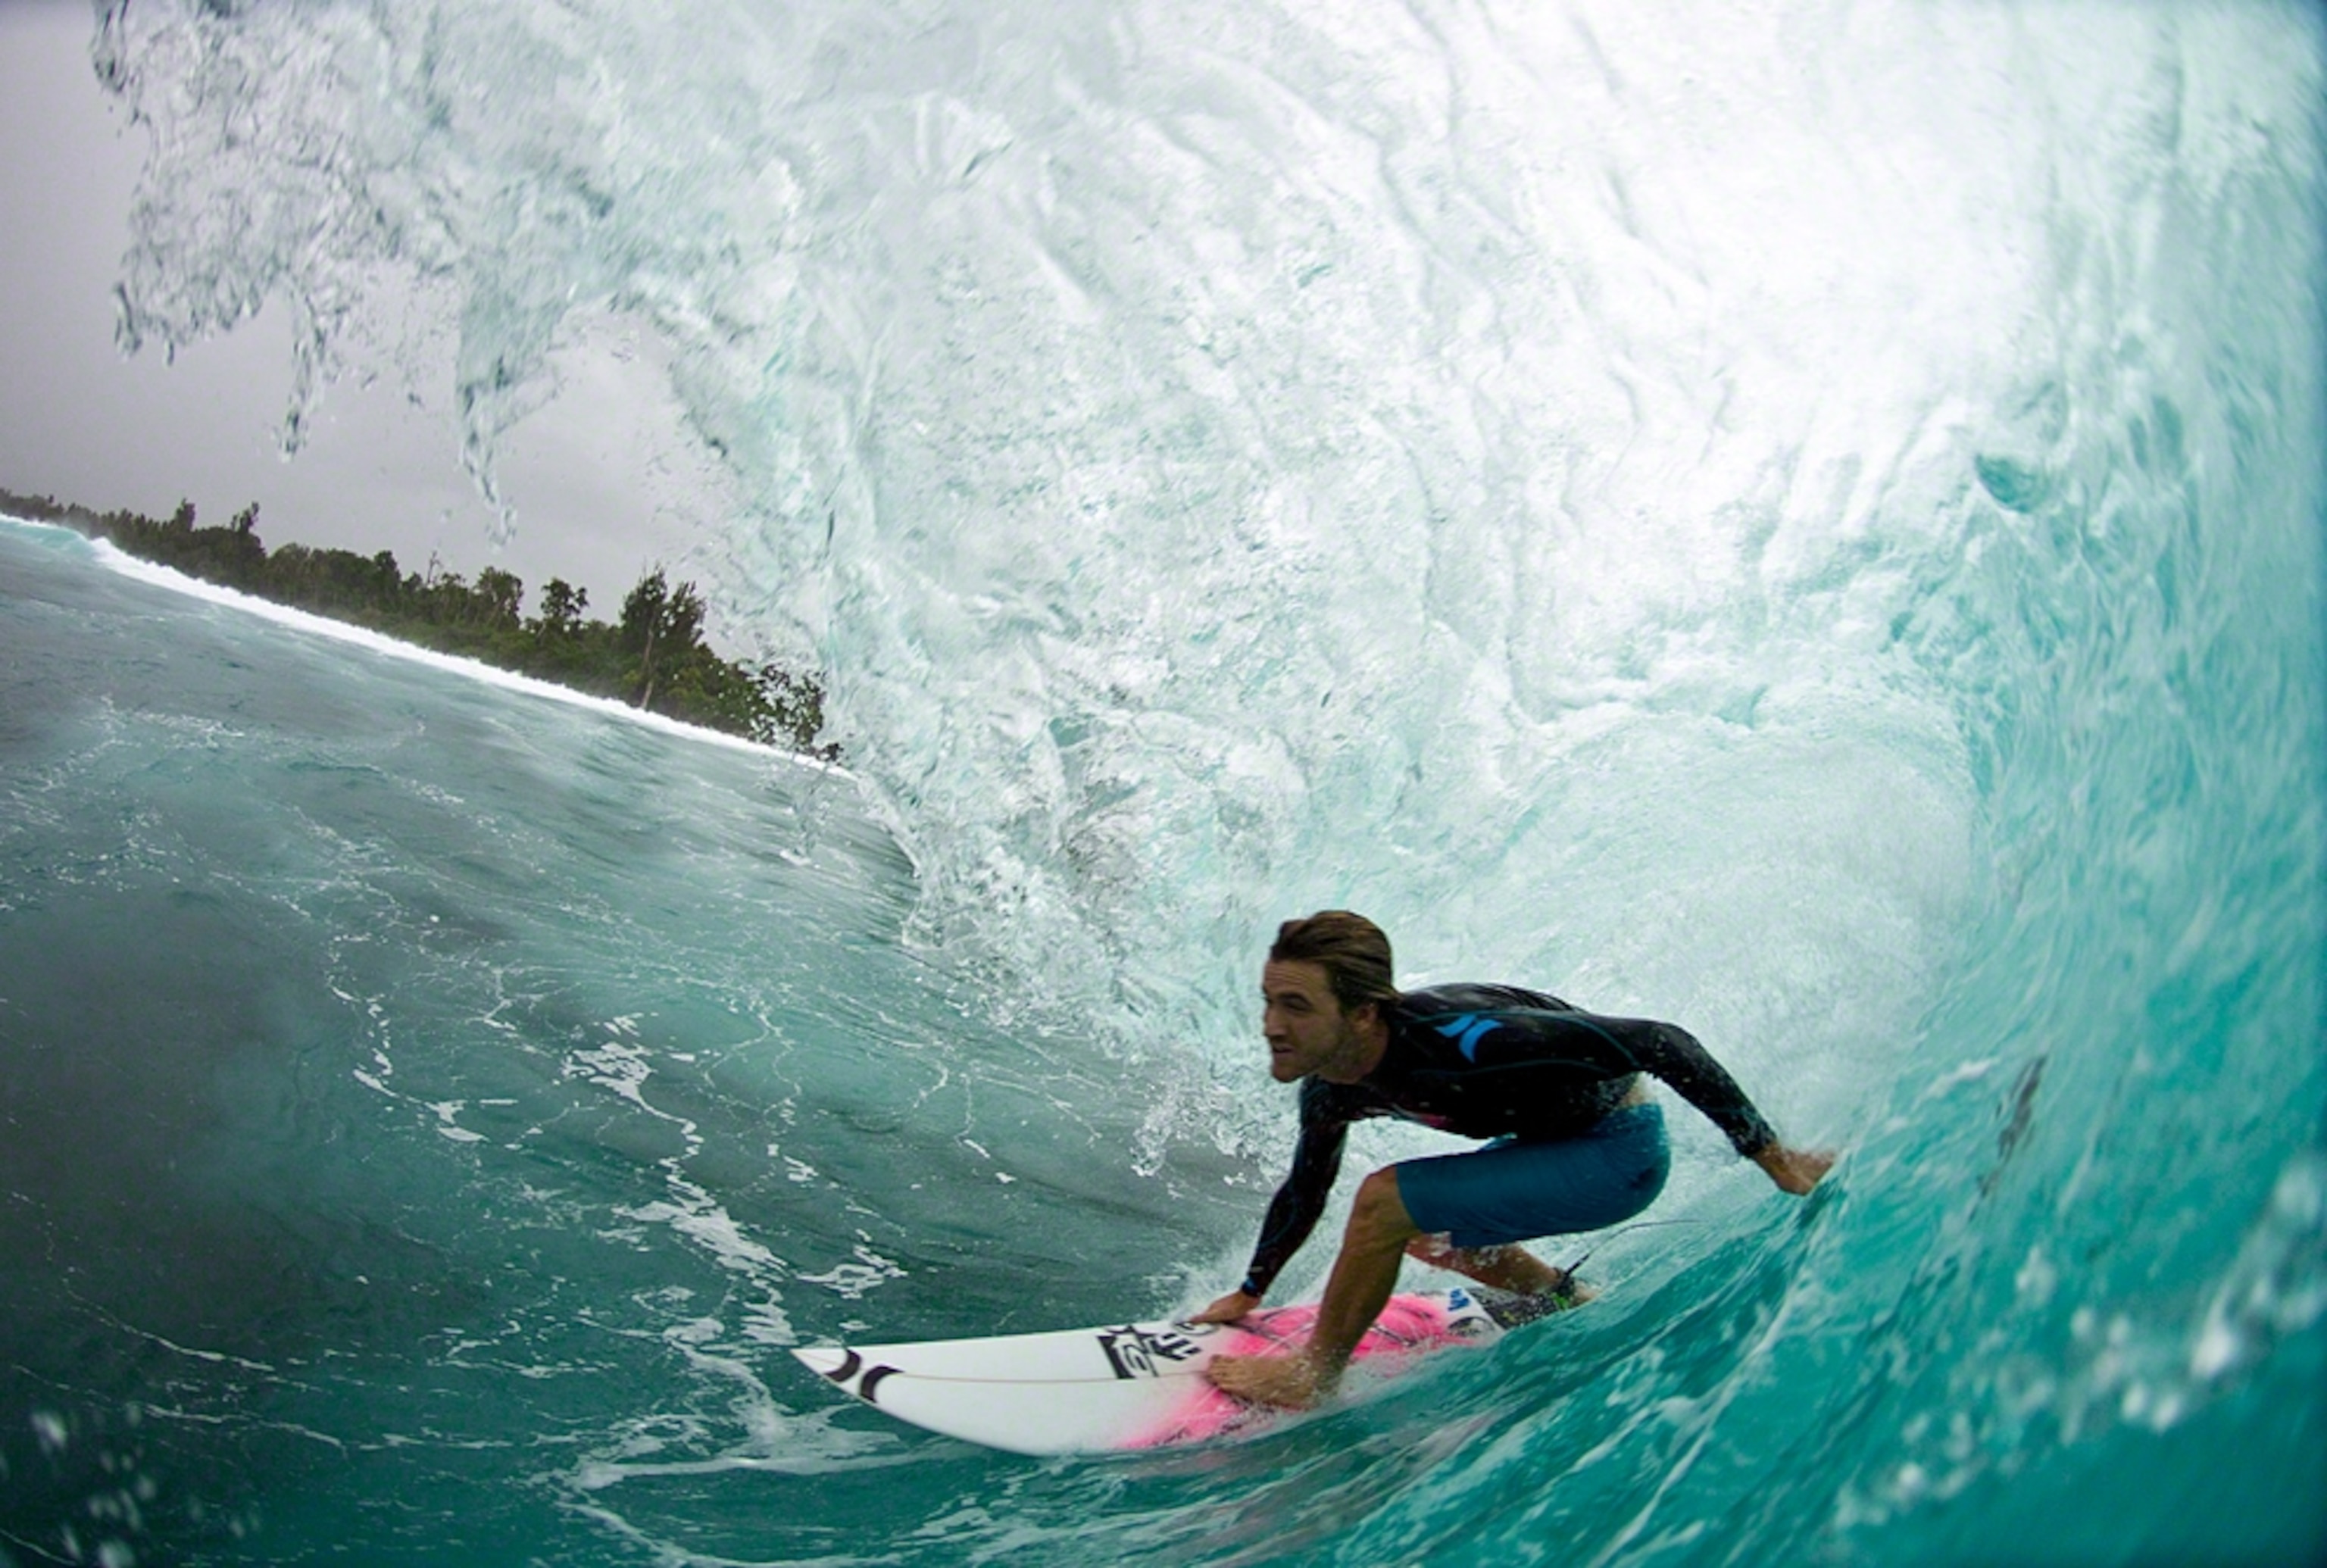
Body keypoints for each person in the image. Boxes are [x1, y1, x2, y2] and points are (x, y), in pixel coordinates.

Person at [1194, 911, 1833, 1409]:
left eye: (1296, 1006)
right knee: (1414, 1226)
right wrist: (1251, 1289)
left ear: (1363, 1013)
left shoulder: (1471, 1042)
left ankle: (1315, 1376)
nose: (1272, 1025)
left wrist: (1771, 1157)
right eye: (1269, 1001)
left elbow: (1661, 1042)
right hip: (1553, 1149)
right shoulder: (1333, 1088)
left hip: (1618, 1152)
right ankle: (1565, 1296)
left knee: (1385, 1202)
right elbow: (1307, 1186)